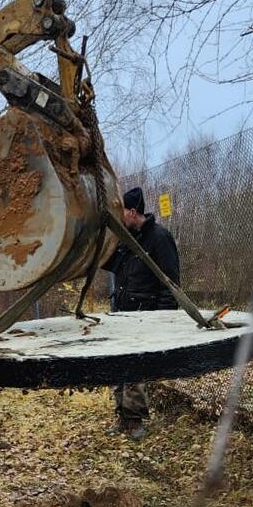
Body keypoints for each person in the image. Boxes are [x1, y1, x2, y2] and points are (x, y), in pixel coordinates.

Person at [102, 186, 180, 440]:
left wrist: (162, 319)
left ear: (132, 212)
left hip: (146, 315)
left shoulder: (159, 238)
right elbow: (107, 262)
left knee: (135, 370)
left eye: (121, 212)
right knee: (118, 367)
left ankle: (135, 421)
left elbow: (171, 283)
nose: (119, 217)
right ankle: (122, 417)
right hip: (122, 314)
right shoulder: (126, 240)